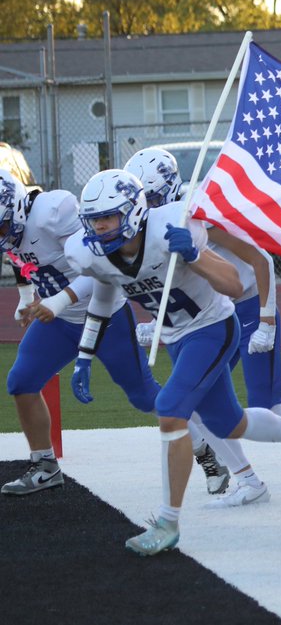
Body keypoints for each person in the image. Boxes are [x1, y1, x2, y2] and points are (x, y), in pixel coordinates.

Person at [66, 170, 281, 555]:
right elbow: (102, 298)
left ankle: (167, 523)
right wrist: (85, 354)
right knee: (230, 423)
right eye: (94, 218)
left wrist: (195, 255)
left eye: (109, 217)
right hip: (177, 337)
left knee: (170, 408)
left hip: (213, 327)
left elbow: (234, 285)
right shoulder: (92, 252)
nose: (100, 227)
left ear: (133, 212)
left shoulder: (172, 227)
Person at [125, 147, 281, 508]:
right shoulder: (151, 225)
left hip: (247, 306)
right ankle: (248, 480)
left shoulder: (197, 213)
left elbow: (261, 259)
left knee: (268, 411)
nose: (143, 208)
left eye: (149, 197)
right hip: (210, 316)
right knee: (200, 403)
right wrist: (159, 321)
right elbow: (175, 282)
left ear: (167, 188)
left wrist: (267, 319)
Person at [2, 169, 161, 496]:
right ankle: (45, 465)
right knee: (21, 382)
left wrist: (58, 302)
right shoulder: (13, 229)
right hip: (58, 322)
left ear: (15, 208)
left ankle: (204, 442)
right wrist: (25, 299)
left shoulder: (52, 213)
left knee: (144, 396)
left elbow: (101, 265)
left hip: (104, 316)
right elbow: (20, 258)